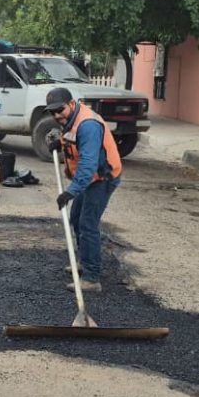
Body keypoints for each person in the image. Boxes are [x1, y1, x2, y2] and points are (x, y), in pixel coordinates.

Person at [45, 87, 122, 292]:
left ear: (71, 104)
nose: (57, 115)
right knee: (76, 218)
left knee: (88, 224)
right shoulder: (71, 119)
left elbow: (88, 164)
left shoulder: (88, 125)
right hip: (89, 178)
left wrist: (71, 191)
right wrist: (59, 144)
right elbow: (72, 140)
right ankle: (84, 260)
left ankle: (92, 278)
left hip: (102, 178)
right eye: (52, 112)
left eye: (60, 110)